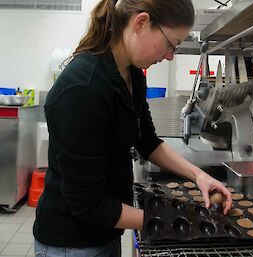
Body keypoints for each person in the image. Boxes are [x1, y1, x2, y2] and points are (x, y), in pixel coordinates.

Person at [33, 0, 232, 256]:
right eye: (171, 44)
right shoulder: (82, 91)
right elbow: (88, 205)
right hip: (71, 243)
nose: (170, 55)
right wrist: (170, 218)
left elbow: (147, 141)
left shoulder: (132, 73)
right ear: (141, 23)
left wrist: (199, 176)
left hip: (106, 230)